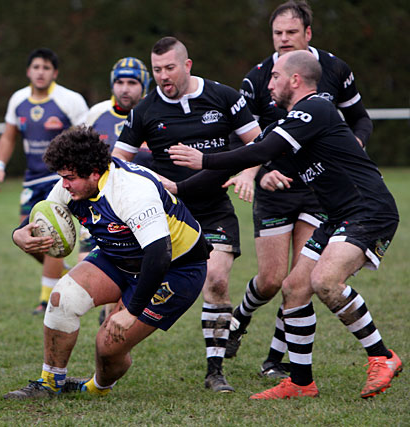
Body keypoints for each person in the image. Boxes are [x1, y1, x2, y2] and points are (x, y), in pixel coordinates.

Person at [167, 50, 402, 399]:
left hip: (369, 209)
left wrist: (205, 158)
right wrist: (179, 188)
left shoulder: (317, 108)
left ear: (295, 80)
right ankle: (301, 382)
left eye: (275, 76)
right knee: (294, 289)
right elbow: (258, 157)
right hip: (339, 215)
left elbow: (259, 152)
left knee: (325, 281)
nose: (269, 83)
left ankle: (382, 357)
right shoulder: (292, 124)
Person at [224, 0, 375, 380]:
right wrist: (259, 174)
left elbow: (359, 118)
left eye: (292, 32)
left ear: (308, 33)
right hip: (275, 186)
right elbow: (248, 139)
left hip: (317, 188)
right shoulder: (259, 77)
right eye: (277, 33)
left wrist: (355, 143)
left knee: (301, 282)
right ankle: (240, 318)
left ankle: (278, 361)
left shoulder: (334, 69)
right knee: (272, 279)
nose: (284, 40)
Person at [3, 125, 210, 399]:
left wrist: (131, 311)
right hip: (118, 256)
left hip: (174, 268)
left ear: (95, 173)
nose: (64, 184)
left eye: (70, 178)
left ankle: (96, 388)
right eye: (61, 177)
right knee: (61, 299)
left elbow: (159, 255)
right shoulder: (71, 184)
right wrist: (18, 235)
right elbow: (42, 215)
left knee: (109, 346)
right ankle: (50, 384)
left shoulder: (131, 190)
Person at [112, 36, 261, 392]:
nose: (163, 76)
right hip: (166, 215)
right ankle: (109, 359)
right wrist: (142, 183)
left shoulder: (224, 97)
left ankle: (215, 371)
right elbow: (116, 163)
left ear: (187, 65)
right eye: (157, 70)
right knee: (125, 284)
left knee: (218, 281)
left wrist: (247, 172)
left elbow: (259, 143)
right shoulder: (145, 111)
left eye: (169, 68)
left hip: (213, 210)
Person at [0, 48, 88, 315]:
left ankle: (46, 300)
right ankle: (62, 271)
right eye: (36, 67)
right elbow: (9, 136)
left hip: (60, 179)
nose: (40, 72)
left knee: (49, 232)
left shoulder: (70, 100)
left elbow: (86, 137)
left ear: (54, 73)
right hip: (32, 178)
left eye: (46, 68)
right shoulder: (18, 99)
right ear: (28, 71)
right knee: (30, 234)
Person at [82, 56, 152, 322]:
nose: (125, 88)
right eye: (120, 82)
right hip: (98, 211)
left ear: (143, 85)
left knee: (134, 278)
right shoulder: (96, 114)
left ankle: (114, 318)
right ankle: (108, 315)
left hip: (142, 212)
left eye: (132, 82)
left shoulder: (155, 113)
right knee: (88, 272)